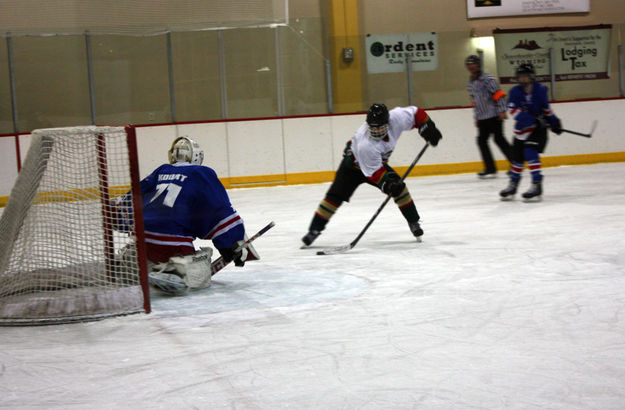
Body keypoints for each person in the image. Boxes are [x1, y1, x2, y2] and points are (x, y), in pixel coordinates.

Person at [116, 136, 255, 294]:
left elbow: (133, 196)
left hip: (141, 238)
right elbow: (219, 209)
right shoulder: (201, 173)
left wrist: (121, 218)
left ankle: (133, 260)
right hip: (172, 244)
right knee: (201, 266)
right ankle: (178, 271)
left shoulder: (162, 170)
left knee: (144, 247)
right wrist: (231, 244)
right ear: (197, 156)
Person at [301, 103, 442, 247]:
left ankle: (414, 222)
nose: (376, 131)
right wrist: (387, 184)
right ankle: (314, 230)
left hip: (375, 164)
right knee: (334, 196)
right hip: (352, 167)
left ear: (388, 122)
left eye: (380, 127)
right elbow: (375, 174)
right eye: (373, 127)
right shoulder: (366, 144)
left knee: (400, 189)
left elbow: (416, 113)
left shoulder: (397, 118)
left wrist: (427, 127)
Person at [500, 63, 562, 201]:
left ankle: (536, 184)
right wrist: (533, 120)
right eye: (520, 76)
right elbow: (514, 112)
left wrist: (554, 122)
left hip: (537, 131)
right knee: (517, 160)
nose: (522, 79)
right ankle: (513, 184)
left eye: (525, 76)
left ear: (531, 77)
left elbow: (546, 109)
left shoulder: (541, 90)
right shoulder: (514, 92)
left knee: (530, 151)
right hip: (521, 130)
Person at [465, 54, 512, 178]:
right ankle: (490, 168)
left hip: (494, 114)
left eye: (473, 64)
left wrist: (502, 110)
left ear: (478, 65)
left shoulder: (487, 79)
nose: (471, 67)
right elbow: (474, 100)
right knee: (481, 141)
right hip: (482, 117)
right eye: (469, 65)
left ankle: (516, 163)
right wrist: (476, 116)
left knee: (499, 139)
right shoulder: (470, 83)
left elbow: (498, 94)